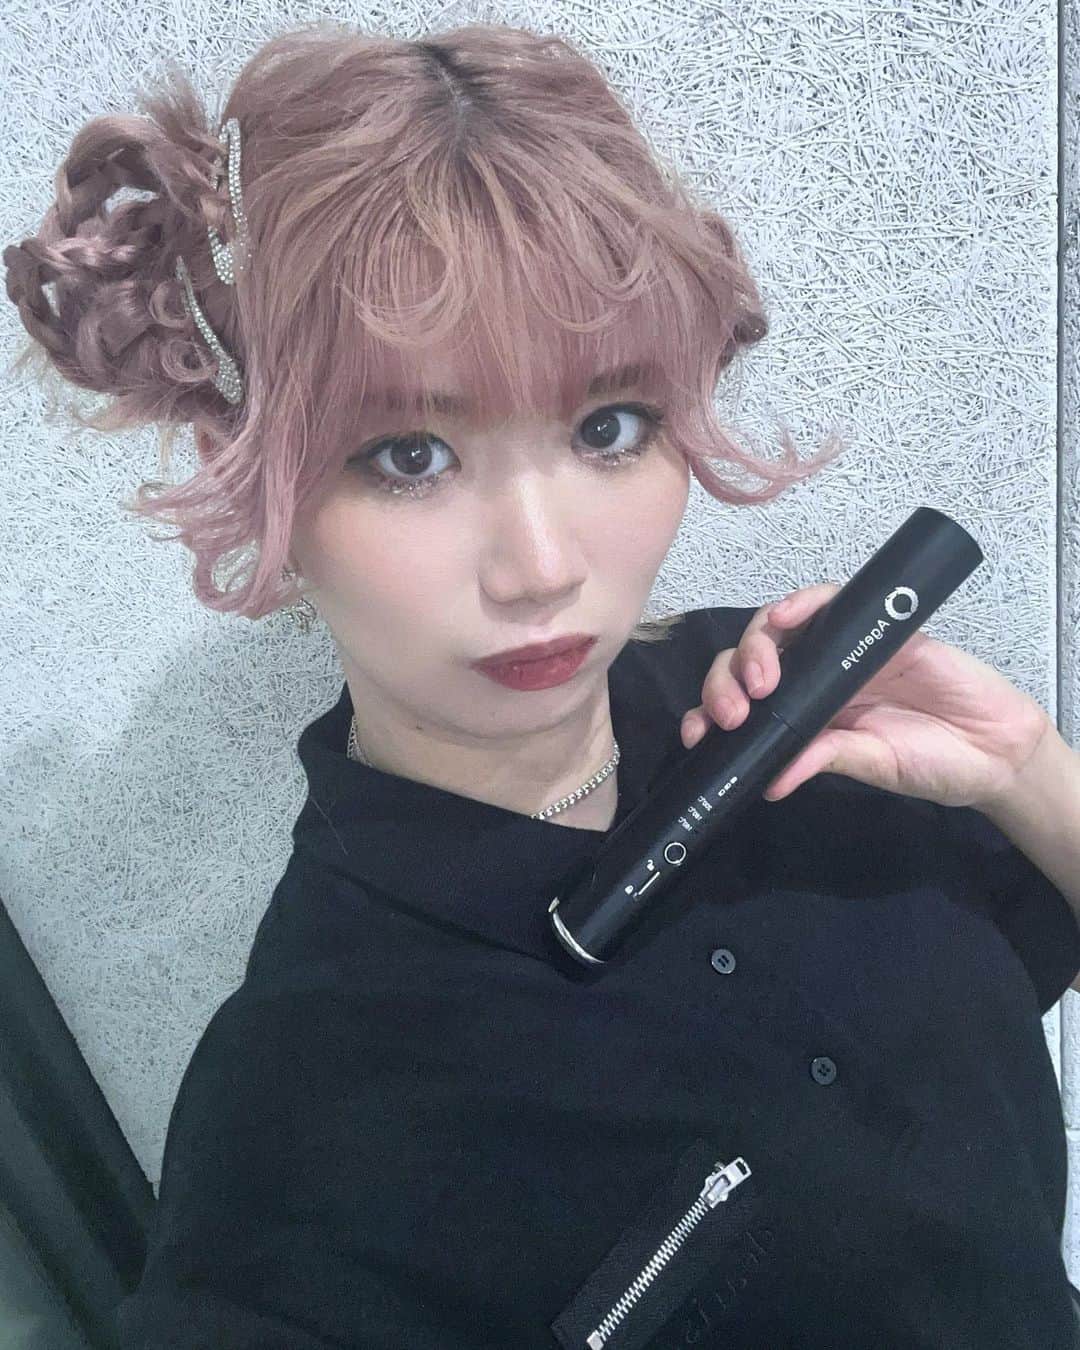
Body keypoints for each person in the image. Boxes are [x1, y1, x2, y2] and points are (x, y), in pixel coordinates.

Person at [5, 19, 1080, 1349]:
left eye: (607, 426)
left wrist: (1032, 775)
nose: (543, 566)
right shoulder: (301, 1134)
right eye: (408, 453)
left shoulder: (818, 710)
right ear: (255, 469)